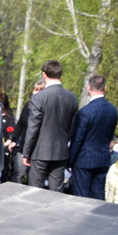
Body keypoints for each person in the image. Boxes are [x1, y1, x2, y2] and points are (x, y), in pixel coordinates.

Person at [22, 60, 78, 191]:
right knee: (56, 191)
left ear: (44, 74)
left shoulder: (39, 97)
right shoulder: (72, 97)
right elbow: (73, 126)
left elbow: (33, 126)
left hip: (40, 150)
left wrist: (26, 152)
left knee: (35, 190)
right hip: (61, 150)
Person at [68, 74, 118, 199]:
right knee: (98, 196)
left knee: (81, 197)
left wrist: (70, 161)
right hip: (103, 157)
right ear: (105, 88)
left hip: (84, 159)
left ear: (88, 87)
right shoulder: (112, 110)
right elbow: (110, 135)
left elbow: (77, 139)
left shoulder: (85, 112)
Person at [10, 79, 44, 184]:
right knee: (18, 173)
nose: (37, 92)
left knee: (33, 178)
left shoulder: (46, 109)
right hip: (23, 145)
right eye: (35, 90)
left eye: (40, 90)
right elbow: (20, 124)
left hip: (38, 148)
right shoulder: (28, 105)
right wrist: (14, 140)